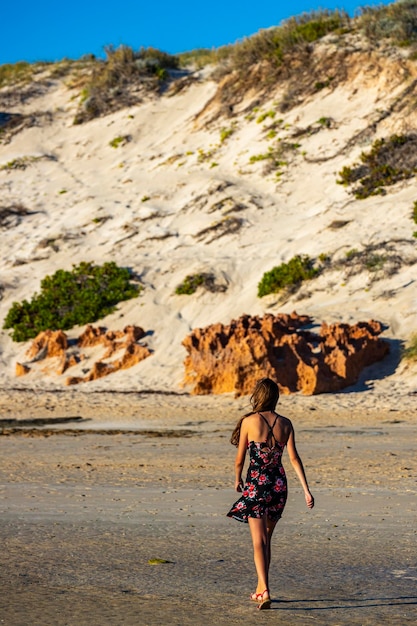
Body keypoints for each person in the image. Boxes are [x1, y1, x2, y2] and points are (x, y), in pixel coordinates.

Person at [227, 377, 314, 610]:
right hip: (278, 485)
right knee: (267, 539)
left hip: (257, 484)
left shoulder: (249, 421)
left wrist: (237, 480)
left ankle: (264, 590)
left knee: (258, 541)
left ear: (258, 396)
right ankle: (259, 587)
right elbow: (294, 458)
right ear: (275, 397)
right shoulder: (286, 423)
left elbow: (239, 460)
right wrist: (306, 490)